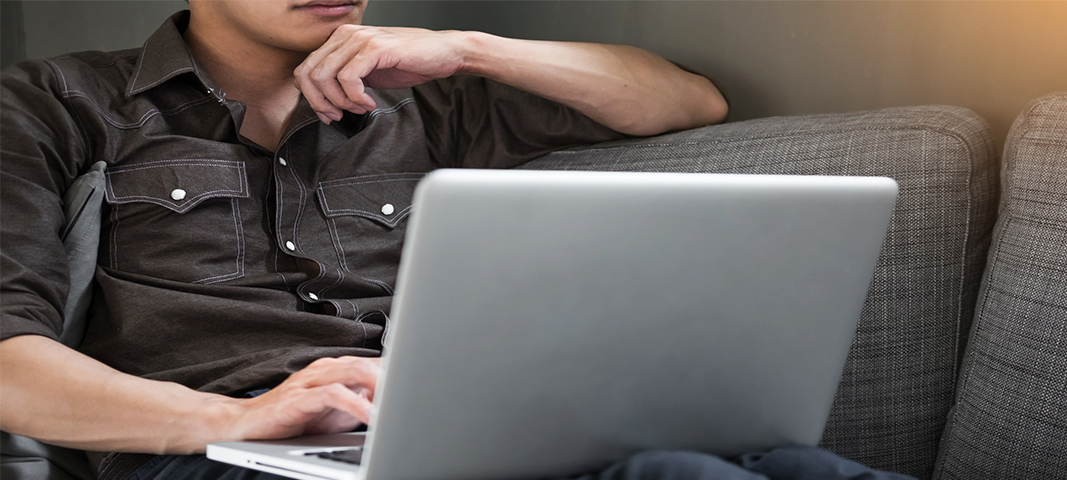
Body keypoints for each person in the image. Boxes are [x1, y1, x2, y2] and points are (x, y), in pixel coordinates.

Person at [0, 1, 912, 479]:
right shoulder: (55, 103)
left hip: (442, 433)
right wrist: (235, 419)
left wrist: (471, 47)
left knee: (792, 464)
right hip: (217, 457)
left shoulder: (424, 97)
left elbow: (684, 99)